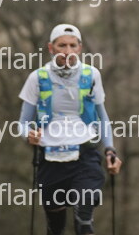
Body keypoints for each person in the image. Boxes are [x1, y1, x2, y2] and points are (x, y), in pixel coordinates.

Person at [18, 24, 122, 235]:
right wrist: (28, 135)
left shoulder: (91, 75)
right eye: (62, 45)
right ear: (51, 48)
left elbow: (102, 117)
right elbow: (22, 123)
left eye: (72, 46)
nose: (67, 51)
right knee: (56, 228)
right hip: (50, 158)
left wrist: (110, 150)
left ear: (79, 48)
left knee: (84, 219)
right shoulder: (37, 78)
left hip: (85, 154)